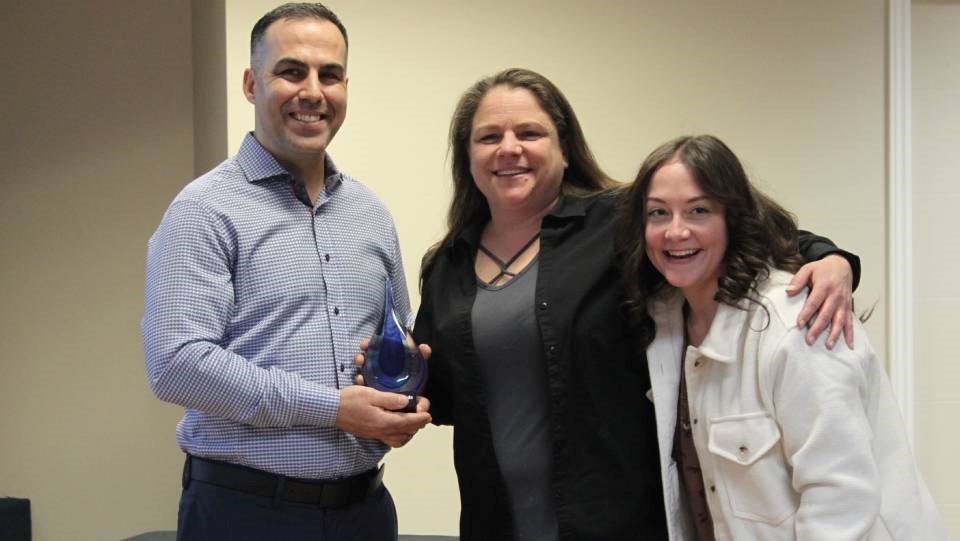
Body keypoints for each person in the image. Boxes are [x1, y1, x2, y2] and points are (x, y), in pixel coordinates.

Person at [412, 68, 861, 540]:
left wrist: (831, 260)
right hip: (497, 522)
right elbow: (441, 393)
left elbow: (741, 229)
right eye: (488, 137)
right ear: (468, 155)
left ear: (564, 149)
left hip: (616, 521)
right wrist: (391, 393)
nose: (509, 148)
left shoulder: (617, 222)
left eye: (530, 132)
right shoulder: (447, 265)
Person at [141, 4, 430, 540]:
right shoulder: (204, 210)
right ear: (252, 84)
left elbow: (397, 337)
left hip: (365, 512)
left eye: (331, 74)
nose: (314, 91)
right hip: (245, 514)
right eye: (291, 71)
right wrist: (333, 409)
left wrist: (398, 402)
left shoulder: (371, 214)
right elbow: (176, 364)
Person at [618, 134, 946, 540]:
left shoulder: (796, 321)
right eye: (658, 214)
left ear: (732, 219)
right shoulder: (663, 325)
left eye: (698, 210)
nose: (675, 231)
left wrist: (835, 258)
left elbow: (840, 503)